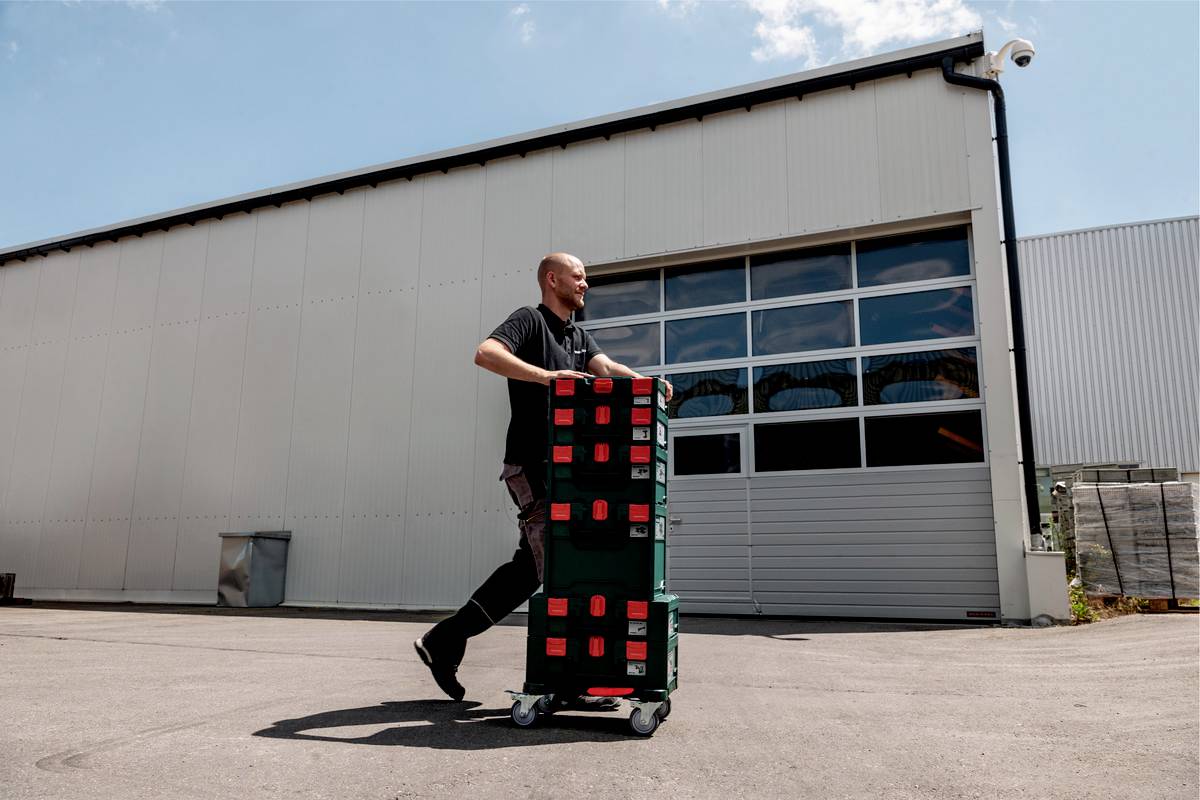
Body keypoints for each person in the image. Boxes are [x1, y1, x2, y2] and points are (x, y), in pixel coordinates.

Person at [413, 252, 672, 701]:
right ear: (553, 280)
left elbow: (607, 369)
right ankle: (569, 676)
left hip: (564, 472)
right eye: (578, 277)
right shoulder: (529, 321)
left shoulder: (576, 334)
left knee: (532, 568)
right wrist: (546, 377)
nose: (585, 284)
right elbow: (486, 353)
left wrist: (648, 382)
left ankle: (446, 640)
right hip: (530, 464)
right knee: (558, 566)